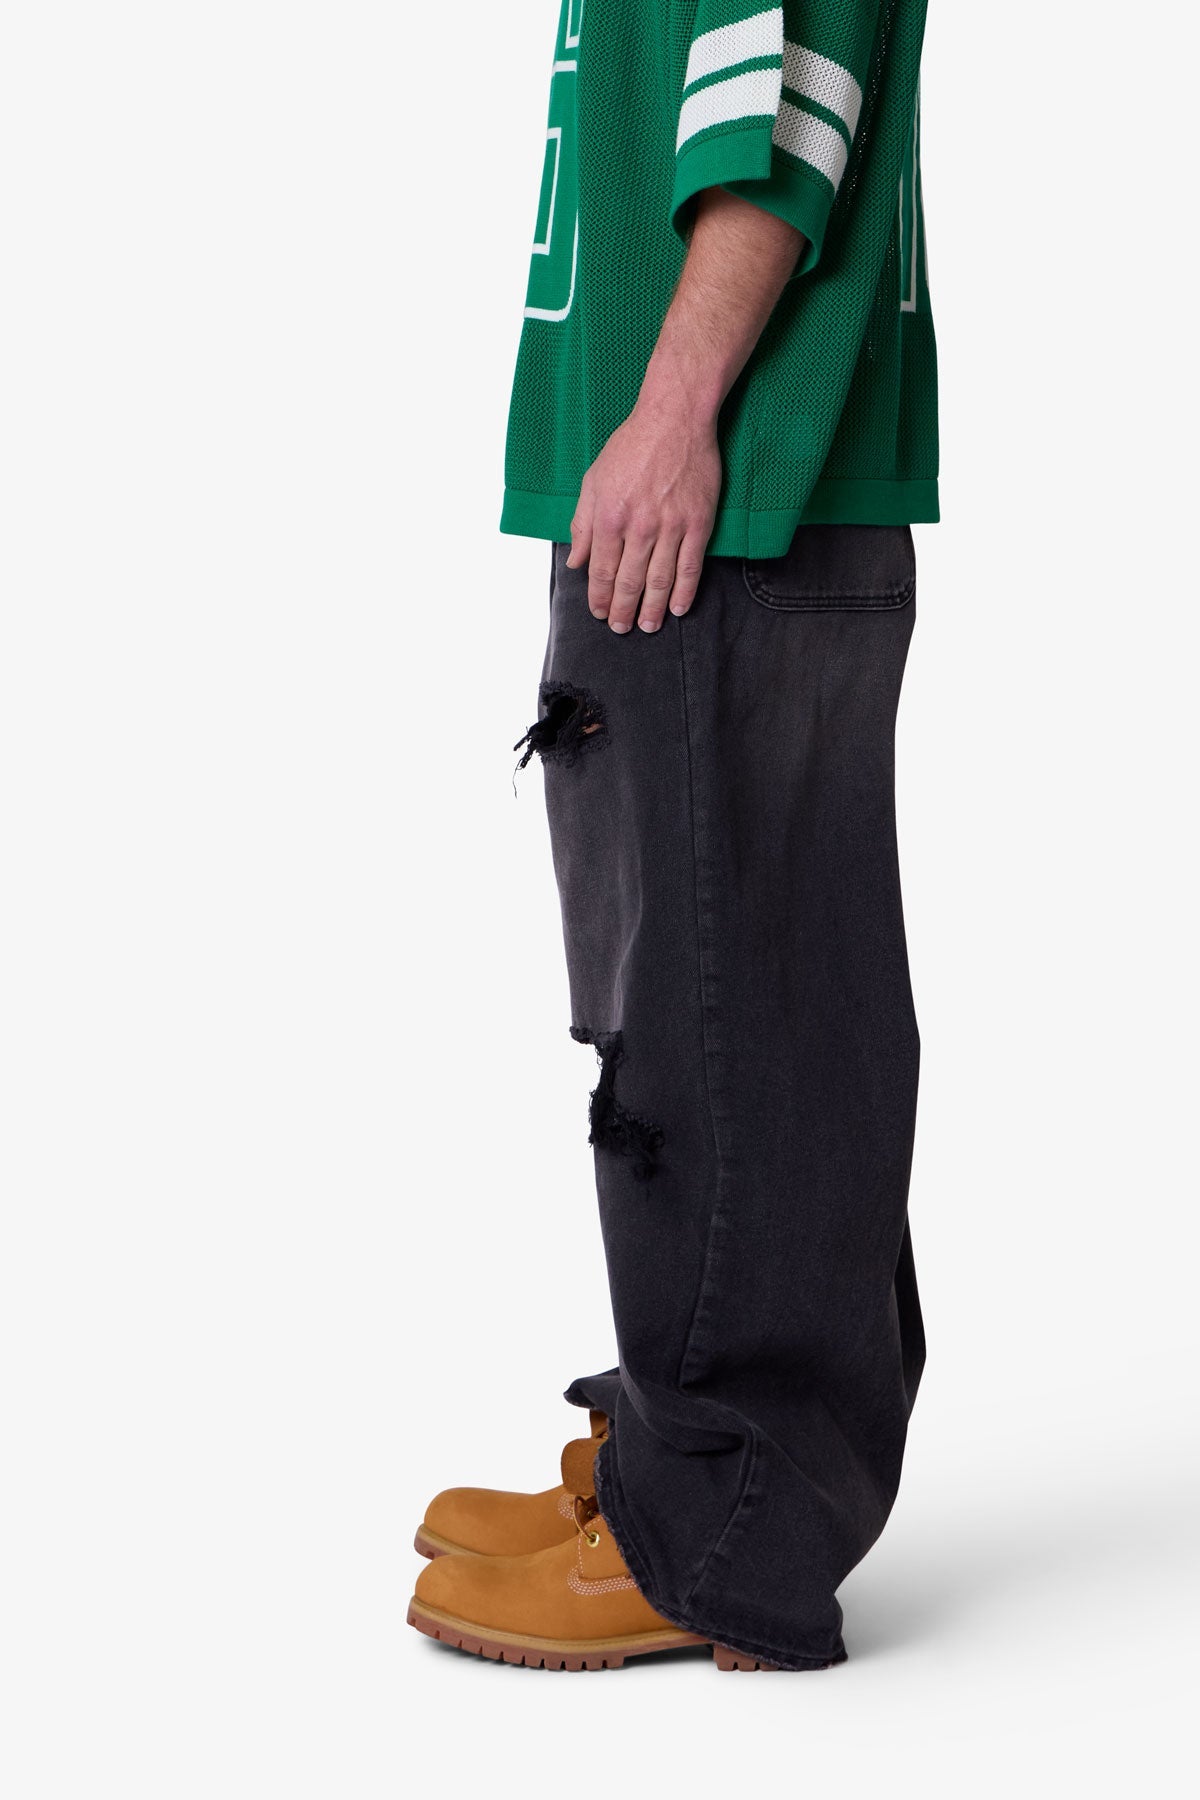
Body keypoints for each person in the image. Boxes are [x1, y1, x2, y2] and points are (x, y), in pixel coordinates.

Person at [408, 0, 937, 1673]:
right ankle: (683, 1446)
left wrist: (677, 408)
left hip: (729, 473)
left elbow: (791, 90)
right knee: (694, 1008)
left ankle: (722, 1519)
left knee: (734, 1016)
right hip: (696, 464)